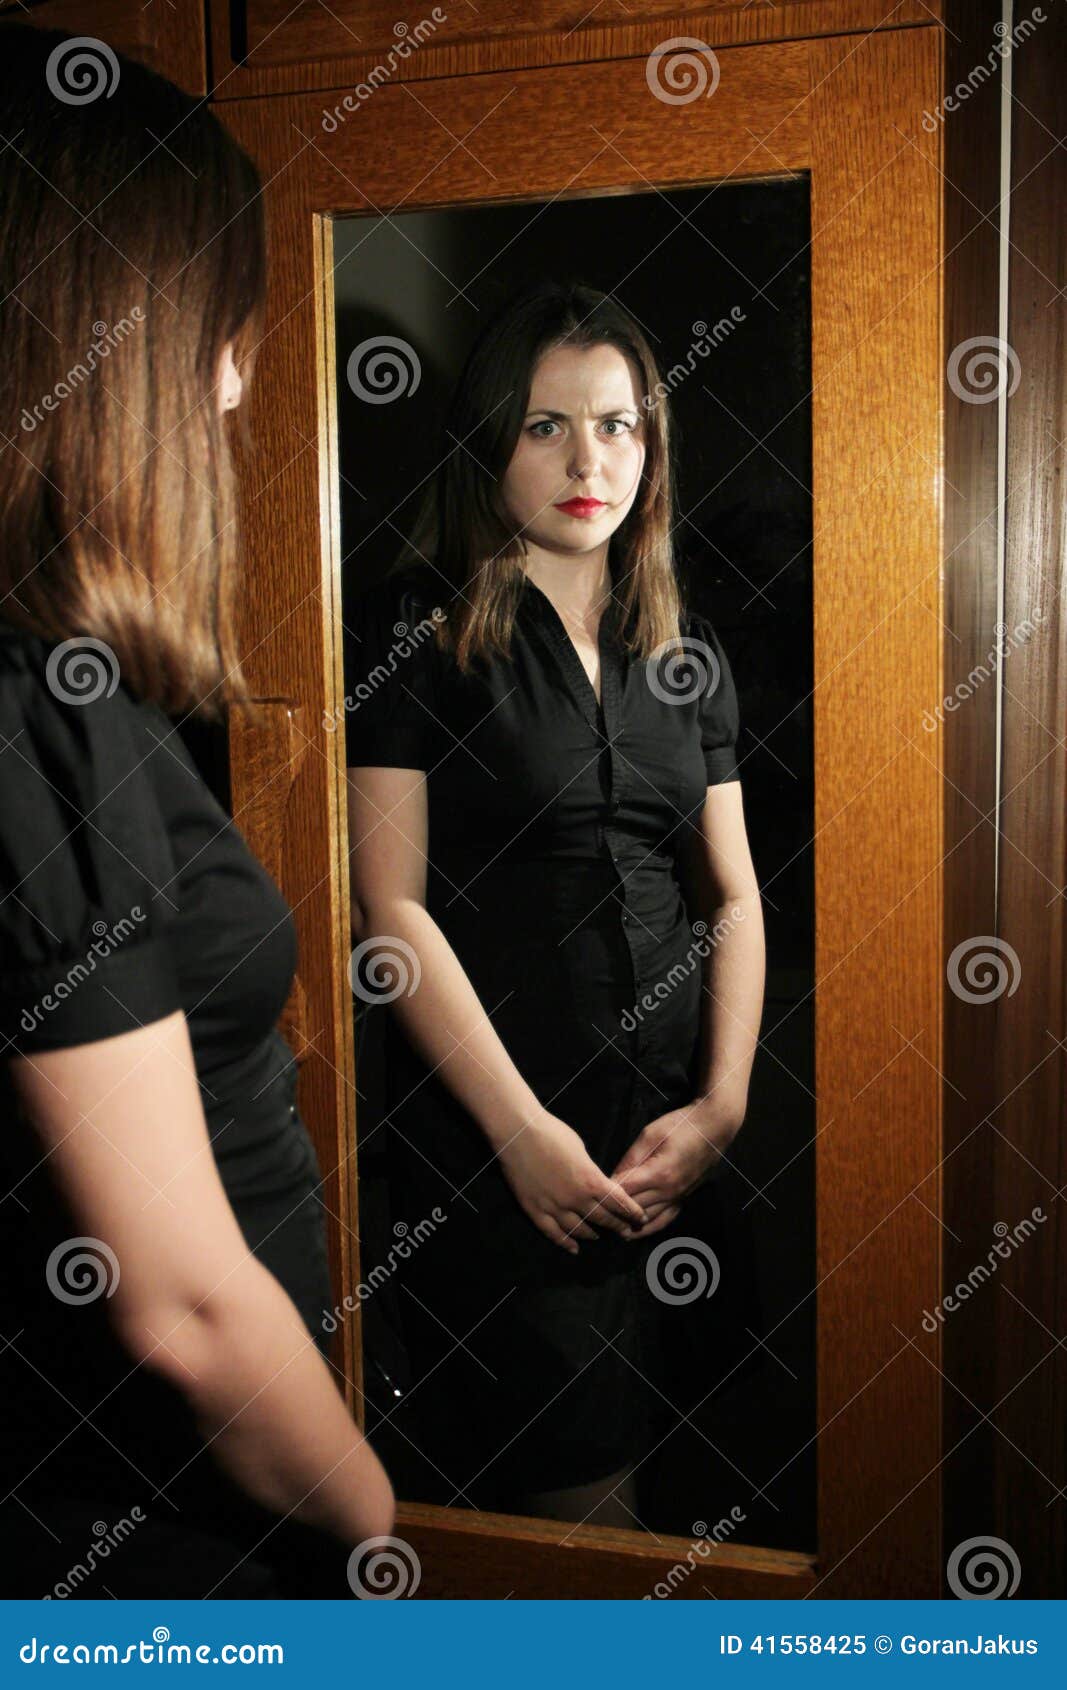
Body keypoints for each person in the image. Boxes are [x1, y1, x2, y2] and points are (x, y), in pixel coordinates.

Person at [0, 25, 394, 1598]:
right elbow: (178, 1302)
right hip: (165, 1528)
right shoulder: (40, 716)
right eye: (227, 333)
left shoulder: (76, 699)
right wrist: (365, 1509)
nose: (238, 387)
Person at [345, 281, 766, 1529]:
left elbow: (732, 891)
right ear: (492, 439)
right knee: (579, 1524)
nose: (591, 459)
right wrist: (521, 1134)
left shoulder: (688, 650)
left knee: (706, 1493)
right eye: (547, 426)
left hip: (675, 1157)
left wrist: (723, 1104)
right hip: (502, 1164)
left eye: (619, 424)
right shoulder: (412, 628)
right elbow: (390, 910)